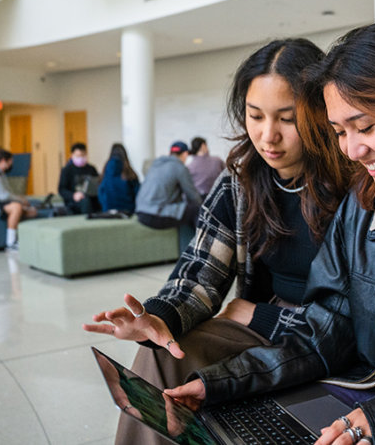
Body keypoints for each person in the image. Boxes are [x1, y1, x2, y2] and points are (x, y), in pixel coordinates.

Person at [83, 38, 351, 445]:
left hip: (326, 335)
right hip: (266, 326)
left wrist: (252, 314)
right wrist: (158, 318)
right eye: (255, 116)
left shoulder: (353, 183)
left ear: (319, 114)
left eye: (286, 119)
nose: (268, 136)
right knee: (163, 355)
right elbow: (199, 273)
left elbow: (352, 319)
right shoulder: (241, 181)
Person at [134, 141, 202, 229]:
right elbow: (193, 196)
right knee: (197, 209)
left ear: (170, 153)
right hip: (155, 216)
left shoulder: (155, 165)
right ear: (185, 154)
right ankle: (202, 241)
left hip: (141, 213)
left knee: (185, 209)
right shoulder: (179, 167)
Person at [0, 148, 38, 250]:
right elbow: (0, 195)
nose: (11, 165)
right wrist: (19, 200)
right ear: (3, 161)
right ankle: (11, 242)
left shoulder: (0, 173)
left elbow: (7, 193)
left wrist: (20, 201)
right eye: (10, 162)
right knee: (16, 207)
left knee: (32, 212)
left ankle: (25, 237)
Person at [58, 142, 100, 214]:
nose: (80, 158)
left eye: (83, 155)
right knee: (85, 202)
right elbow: (61, 189)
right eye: (78, 156)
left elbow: (97, 183)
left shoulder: (91, 169)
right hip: (74, 201)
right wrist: (73, 195)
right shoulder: (67, 170)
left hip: (91, 197)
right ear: (72, 155)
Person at [98, 143, 140, 214]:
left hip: (108, 210)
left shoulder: (105, 171)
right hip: (128, 211)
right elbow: (138, 193)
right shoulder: (129, 172)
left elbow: (101, 192)